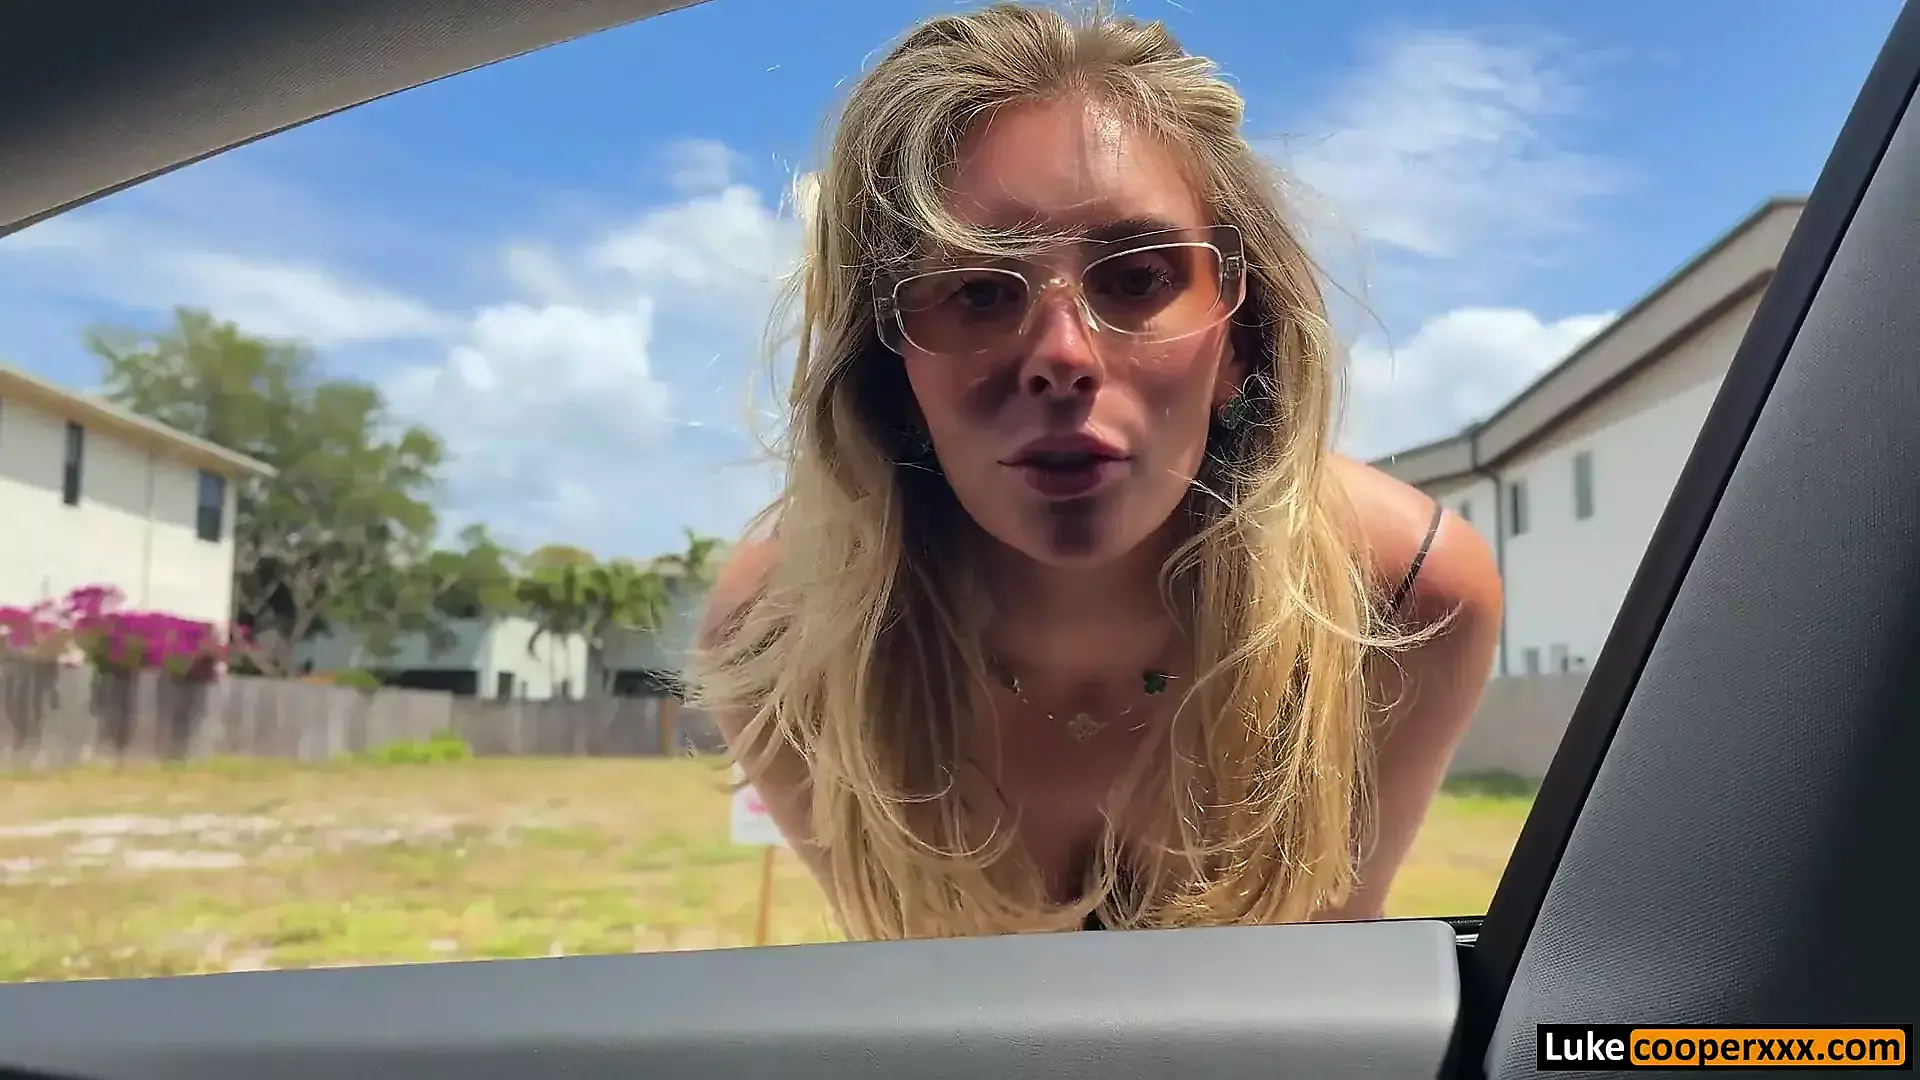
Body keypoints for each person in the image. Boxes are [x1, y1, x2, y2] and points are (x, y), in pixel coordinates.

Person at [689, 0, 1503, 940]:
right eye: (978, 291)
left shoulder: (1401, 598)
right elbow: (922, 994)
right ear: (891, 365)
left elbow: (1325, 982)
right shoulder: (778, 639)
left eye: (1138, 277)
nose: (1063, 356)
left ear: (1239, 333)